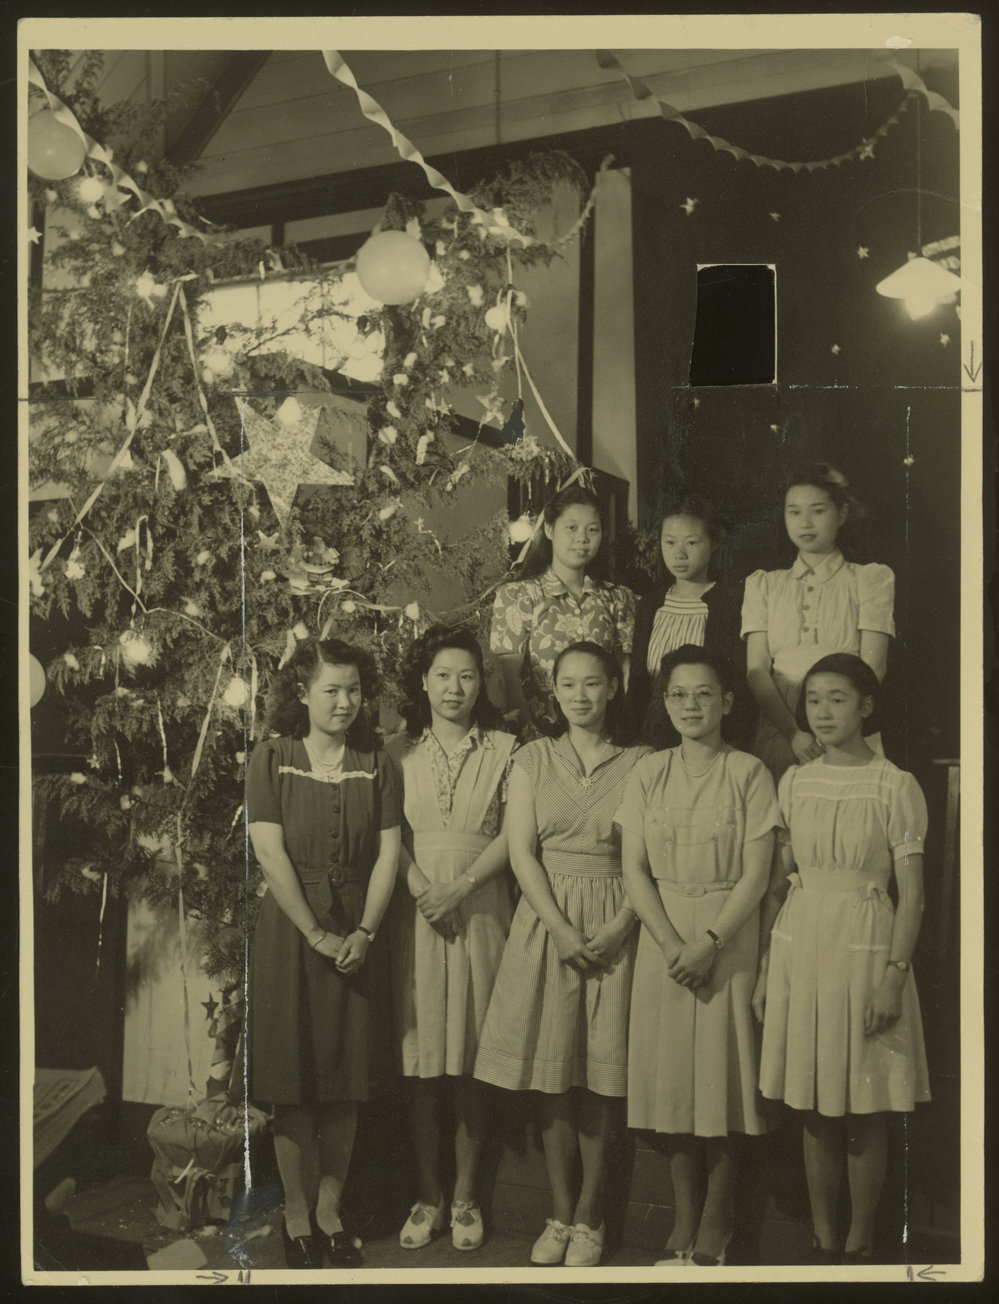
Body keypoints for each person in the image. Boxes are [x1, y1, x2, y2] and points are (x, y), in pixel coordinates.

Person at [474, 642, 650, 1267]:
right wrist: (560, 929)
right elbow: (521, 852)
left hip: (616, 926)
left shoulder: (641, 763)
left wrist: (624, 923)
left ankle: (590, 1215)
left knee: (601, 1078)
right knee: (553, 1079)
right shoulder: (531, 759)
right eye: (568, 684)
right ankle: (557, 1209)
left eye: (593, 684)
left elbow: (645, 860)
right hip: (548, 924)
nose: (581, 696)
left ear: (613, 688)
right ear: (553, 691)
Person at [756, 653, 930, 1265]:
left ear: (865, 706)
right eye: (812, 701)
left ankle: (860, 1240)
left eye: (836, 699)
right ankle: (822, 1236)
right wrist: (761, 971)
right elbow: (780, 884)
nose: (823, 712)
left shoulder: (894, 784)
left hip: (867, 949)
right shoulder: (795, 781)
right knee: (812, 1103)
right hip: (802, 946)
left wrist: (893, 974)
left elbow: (913, 895)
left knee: (865, 1105)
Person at [617, 645, 779, 1268]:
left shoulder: (749, 773)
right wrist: (668, 944)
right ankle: (683, 1215)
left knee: (722, 1081)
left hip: (725, 936)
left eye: (704, 693)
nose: (691, 705)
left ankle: (719, 1213)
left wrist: (709, 944)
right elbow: (634, 869)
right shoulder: (648, 772)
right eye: (679, 694)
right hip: (665, 938)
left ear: (728, 702)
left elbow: (757, 874)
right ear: (665, 702)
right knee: (673, 1086)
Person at [246, 638, 401, 1268]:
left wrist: (364, 932)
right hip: (291, 933)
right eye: (331, 689)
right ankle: (296, 1213)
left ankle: (332, 1211)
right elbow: (269, 851)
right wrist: (314, 932)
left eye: (354, 690)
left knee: (345, 1082)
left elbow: (389, 852)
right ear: (303, 693)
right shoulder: (273, 758)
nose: (344, 702)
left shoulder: (377, 761)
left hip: (358, 936)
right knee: (294, 1084)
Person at [385, 626, 517, 1253]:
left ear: (481, 682)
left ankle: (465, 1197)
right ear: (423, 682)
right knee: (420, 1061)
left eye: (466, 675)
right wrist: (419, 888)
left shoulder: (510, 749)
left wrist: (459, 887)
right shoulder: (396, 752)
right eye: (442, 675)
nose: (455, 687)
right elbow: (390, 837)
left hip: (480, 906)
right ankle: (426, 1193)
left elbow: (515, 837)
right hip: (415, 910)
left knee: (468, 1055)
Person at [741, 464, 894, 780]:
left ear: (841, 514)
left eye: (818, 511)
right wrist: (794, 732)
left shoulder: (869, 579)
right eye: (794, 512)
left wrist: (833, 732)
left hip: (847, 723)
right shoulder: (764, 585)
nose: (805, 523)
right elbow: (757, 669)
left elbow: (873, 668)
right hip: (781, 725)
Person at [490, 483, 636, 735]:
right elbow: (507, 678)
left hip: (603, 738)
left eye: (593, 529)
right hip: (539, 740)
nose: (582, 538)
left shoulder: (618, 597)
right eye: (571, 528)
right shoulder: (518, 596)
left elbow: (624, 674)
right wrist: (532, 740)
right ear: (549, 529)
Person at [626, 494, 752, 750]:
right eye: (669, 542)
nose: (679, 554)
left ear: (714, 543)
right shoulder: (649, 605)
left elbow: (738, 683)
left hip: (711, 737)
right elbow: (638, 681)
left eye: (691, 543)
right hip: (652, 735)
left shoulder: (731, 604)